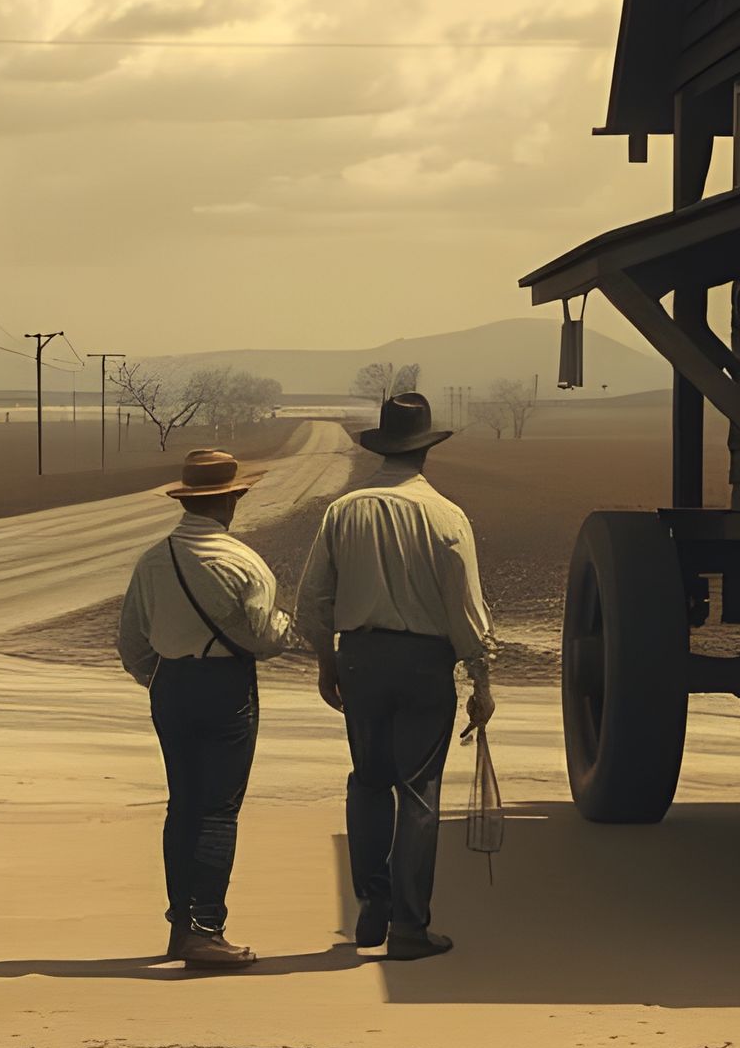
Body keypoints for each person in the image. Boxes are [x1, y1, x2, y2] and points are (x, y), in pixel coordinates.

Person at [296, 389, 494, 962]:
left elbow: (313, 600)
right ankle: (409, 924)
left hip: (361, 658)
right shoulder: (446, 515)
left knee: (368, 780)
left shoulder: (344, 511)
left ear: (381, 448)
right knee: (419, 791)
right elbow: (465, 609)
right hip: (424, 663)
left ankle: (372, 899)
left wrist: (327, 662)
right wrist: (480, 681)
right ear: (426, 451)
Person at [117, 447, 293, 970]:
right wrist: (286, 626)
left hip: (171, 685)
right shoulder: (243, 562)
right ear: (231, 500)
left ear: (187, 501)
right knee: (219, 809)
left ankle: (180, 925)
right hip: (224, 687)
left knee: (183, 805)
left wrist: (162, 677)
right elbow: (264, 638)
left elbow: (132, 641)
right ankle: (206, 929)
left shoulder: (153, 560)